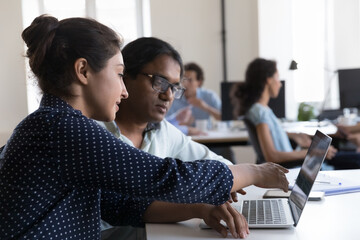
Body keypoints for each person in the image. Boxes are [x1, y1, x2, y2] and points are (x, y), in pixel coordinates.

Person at [0, 16, 289, 240]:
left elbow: (119, 205)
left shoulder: (59, 124)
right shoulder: (59, 127)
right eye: (119, 75)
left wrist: (199, 209)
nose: (124, 91)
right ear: (83, 71)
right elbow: (165, 178)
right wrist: (252, 171)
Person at [98, 37, 244, 239]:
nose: (169, 96)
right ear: (126, 76)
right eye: (160, 82)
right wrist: (201, 202)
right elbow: (129, 206)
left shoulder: (161, 130)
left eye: (175, 88)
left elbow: (218, 163)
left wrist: (223, 184)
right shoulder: (95, 132)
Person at [232, 57, 360, 169]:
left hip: (295, 164)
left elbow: (271, 133)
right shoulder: (260, 112)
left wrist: (294, 135)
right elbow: (271, 156)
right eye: (277, 77)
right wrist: (314, 153)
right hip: (292, 168)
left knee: (349, 155)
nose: (280, 84)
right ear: (268, 80)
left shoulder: (260, 109)